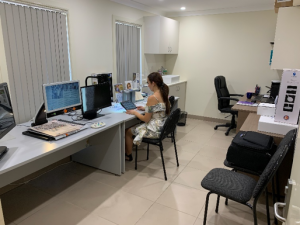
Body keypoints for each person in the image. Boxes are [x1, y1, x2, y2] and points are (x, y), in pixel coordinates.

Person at [125, 72, 170, 161]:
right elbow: (158, 107)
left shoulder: (152, 98)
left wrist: (135, 112)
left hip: (154, 130)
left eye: (148, 83)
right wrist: (146, 108)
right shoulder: (163, 93)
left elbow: (146, 119)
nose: (148, 85)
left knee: (128, 131)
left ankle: (128, 155)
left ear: (153, 83)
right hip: (162, 127)